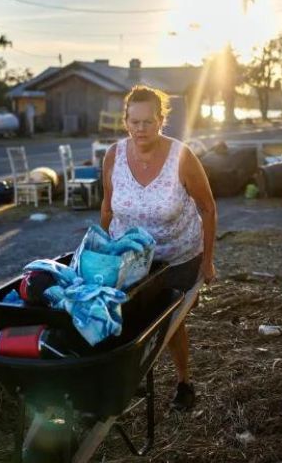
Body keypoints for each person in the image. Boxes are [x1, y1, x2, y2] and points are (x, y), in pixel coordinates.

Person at [101, 85, 216, 411]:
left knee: (171, 323)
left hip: (176, 257)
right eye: (134, 122)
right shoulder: (114, 155)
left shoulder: (182, 156)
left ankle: (183, 382)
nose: (141, 129)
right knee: (127, 320)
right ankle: (125, 382)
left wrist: (207, 262)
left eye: (148, 122)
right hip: (130, 258)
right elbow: (107, 207)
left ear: (161, 120)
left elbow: (207, 208)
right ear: (125, 121)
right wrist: (102, 251)